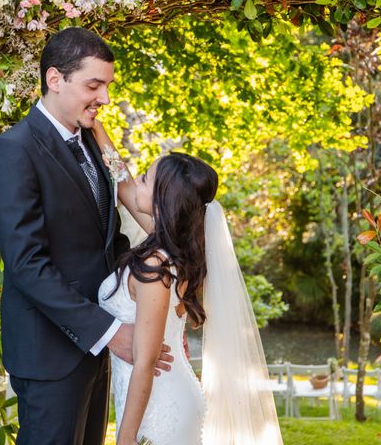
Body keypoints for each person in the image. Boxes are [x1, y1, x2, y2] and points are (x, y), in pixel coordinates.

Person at [0, 27, 172, 445]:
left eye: (107, 86)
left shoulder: (91, 143)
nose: (104, 98)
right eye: (94, 85)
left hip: (99, 351)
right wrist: (109, 332)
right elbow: (27, 264)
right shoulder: (13, 151)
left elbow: (109, 241)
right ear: (55, 79)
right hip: (51, 354)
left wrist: (149, 320)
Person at [94, 124, 284, 444]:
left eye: (145, 179)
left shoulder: (156, 266)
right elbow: (123, 183)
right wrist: (97, 128)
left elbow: (146, 362)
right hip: (166, 397)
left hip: (159, 409)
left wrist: (123, 439)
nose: (136, 180)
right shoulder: (173, 249)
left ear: (160, 200)